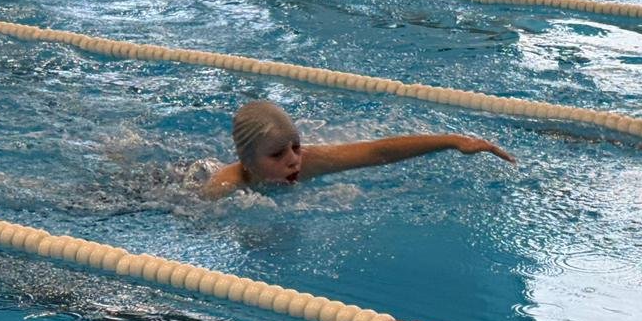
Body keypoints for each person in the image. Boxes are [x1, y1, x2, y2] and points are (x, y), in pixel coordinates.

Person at [202, 100, 516, 199]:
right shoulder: (224, 188)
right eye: (277, 155)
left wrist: (452, 141)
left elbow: (376, 153)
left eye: (295, 147)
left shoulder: (308, 163)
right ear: (246, 160)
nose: (293, 160)